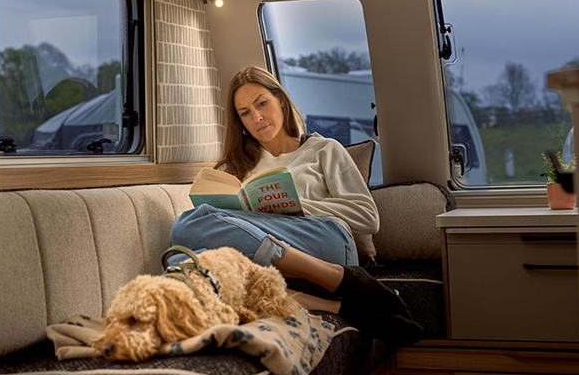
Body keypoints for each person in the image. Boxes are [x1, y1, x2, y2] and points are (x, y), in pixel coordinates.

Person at [170, 66, 422, 347]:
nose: (257, 117)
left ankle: (337, 276)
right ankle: (339, 303)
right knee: (182, 254)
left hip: (323, 244)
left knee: (189, 234)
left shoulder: (324, 150)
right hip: (271, 271)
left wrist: (296, 204)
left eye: (261, 103)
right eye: (245, 113)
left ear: (280, 100)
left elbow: (368, 217)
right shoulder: (233, 168)